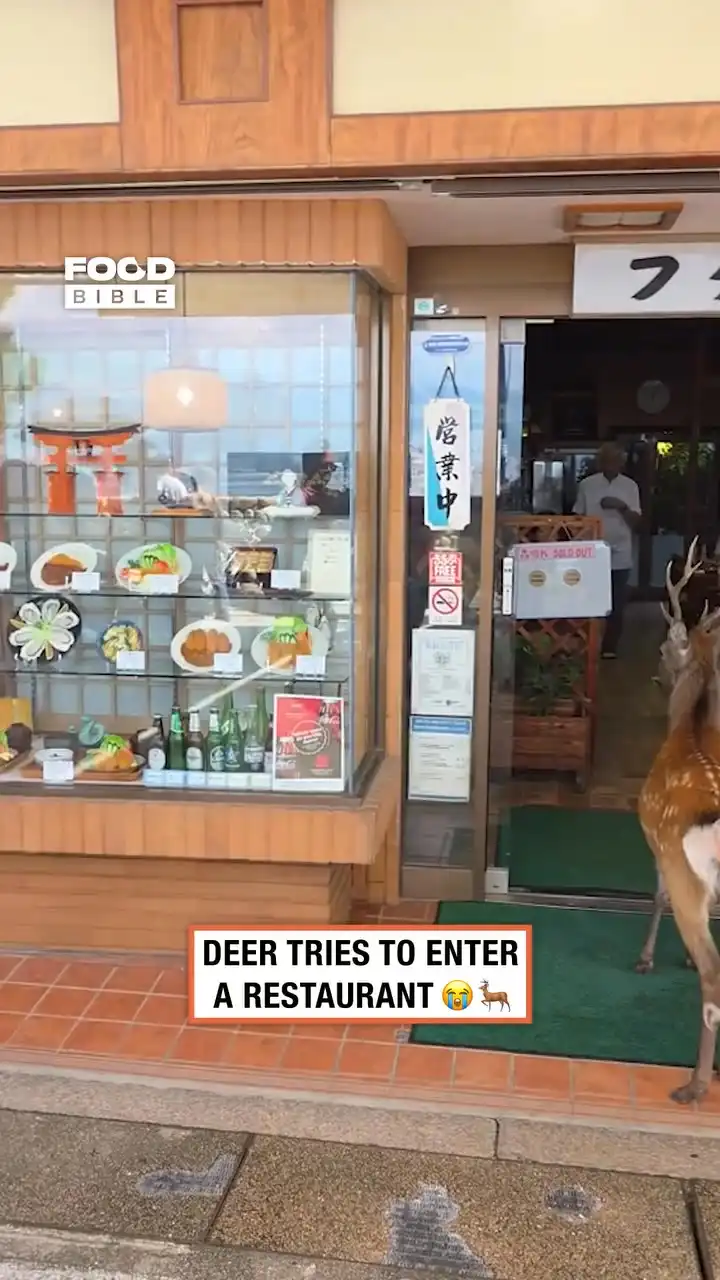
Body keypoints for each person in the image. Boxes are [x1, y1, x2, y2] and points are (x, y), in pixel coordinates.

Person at [573, 442, 642, 658]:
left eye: (617, 460)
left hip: (620, 551)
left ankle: (609, 647)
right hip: (592, 551)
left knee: (617, 604)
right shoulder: (587, 485)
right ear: (601, 462)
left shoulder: (630, 486)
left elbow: (637, 521)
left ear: (622, 463)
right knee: (589, 600)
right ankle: (588, 644)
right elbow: (577, 517)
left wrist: (621, 507)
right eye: (608, 460)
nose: (613, 464)